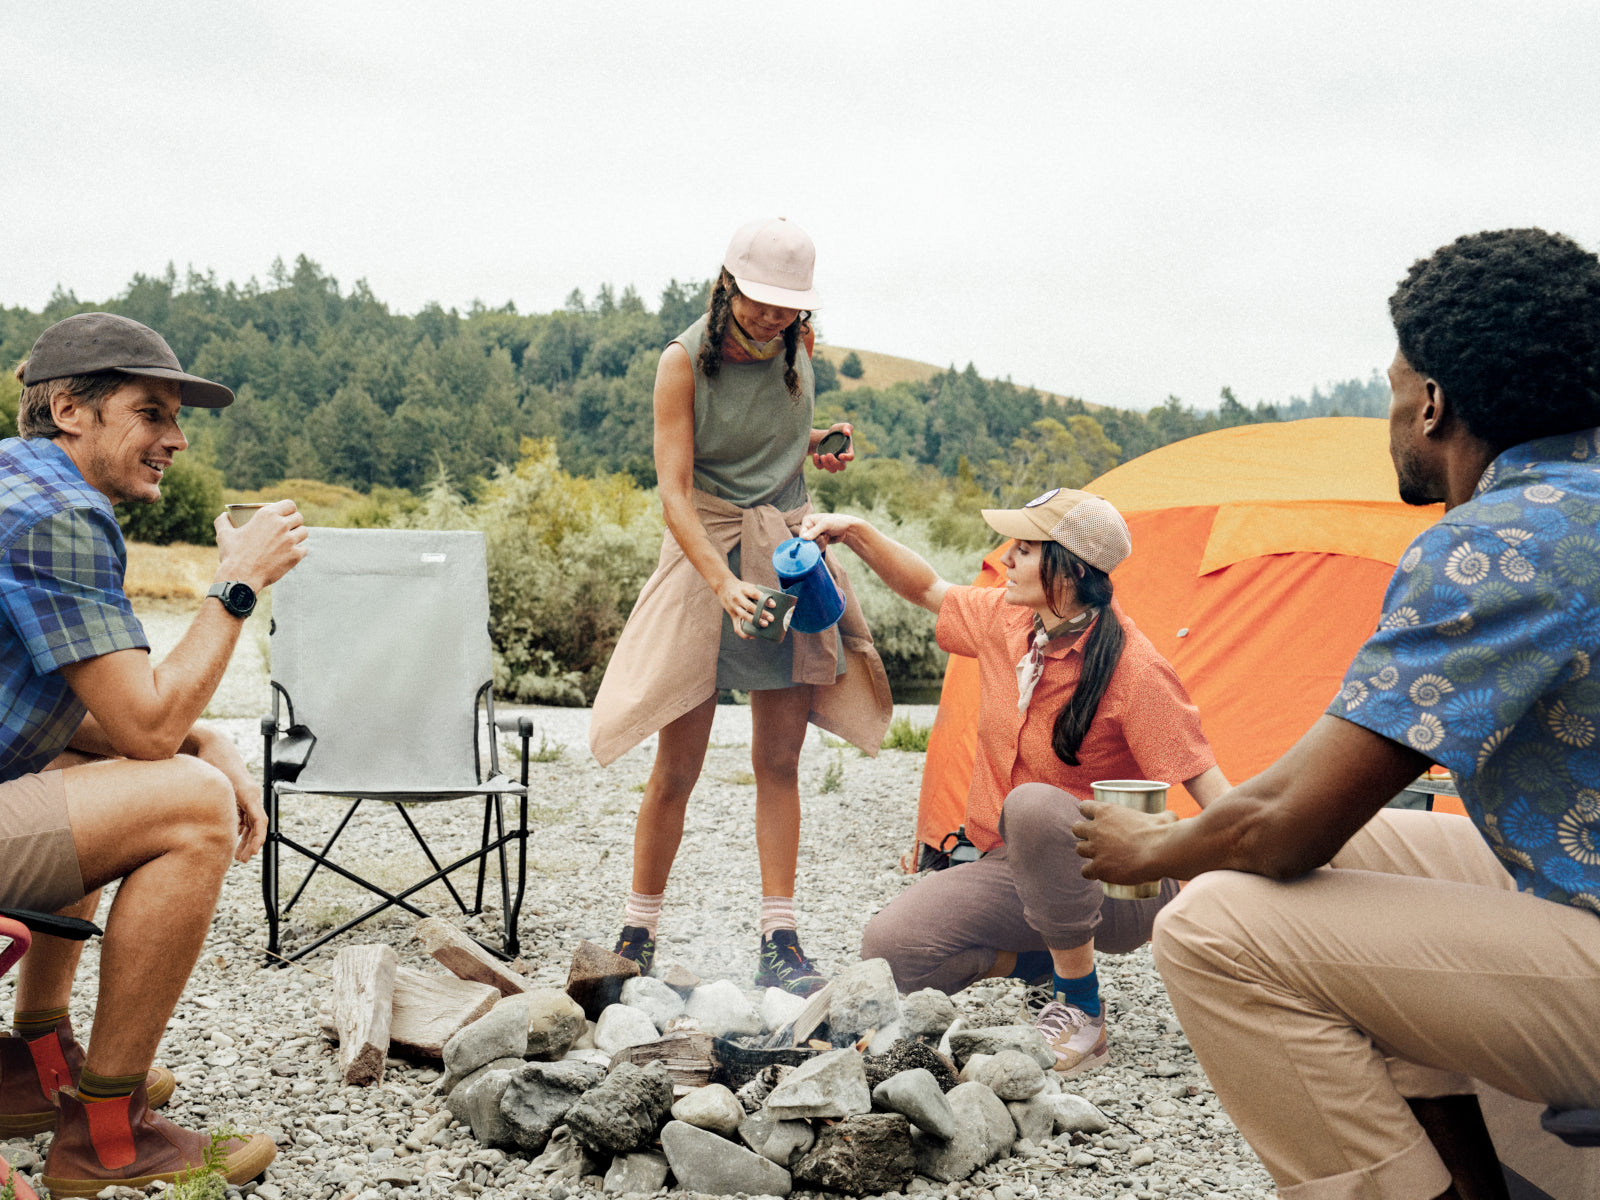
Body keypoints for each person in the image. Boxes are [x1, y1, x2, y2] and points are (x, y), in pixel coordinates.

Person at [1075, 228, 1600, 1200]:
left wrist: (1150, 849)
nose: (1388, 414)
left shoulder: (1503, 542)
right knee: (1357, 851)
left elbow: (1282, 828)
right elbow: (1315, 816)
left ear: (1431, 402)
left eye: (1391, 387)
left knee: (1214, 926)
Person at [0, 313, 307, 1195]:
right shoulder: (58, 515)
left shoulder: (18, 482)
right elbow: (143, 728)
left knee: (128, 777)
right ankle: (107, 1136)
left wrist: (203, 735)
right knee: (192, 806)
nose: (176, 439)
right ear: (70, 410)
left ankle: (34, 1066)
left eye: (177, 418)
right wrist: (238, 584)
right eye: (151, 413)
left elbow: (86, 709)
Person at [800, 488, 1229, 1075]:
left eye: (1025, 550)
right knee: (894, 950)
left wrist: (1255, 892)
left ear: (1072, 571)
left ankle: (1081, 1007)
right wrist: (855, 531)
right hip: (1018, 869)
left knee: (1032, 806)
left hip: (1122, 888)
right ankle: (1044, 963)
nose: (1006, 558)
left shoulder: (1136, 671)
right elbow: (927, 589)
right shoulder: (1007, 621)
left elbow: (1220, 802)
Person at [589, 218, 893, 995]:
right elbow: (673, 492)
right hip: (707, 551)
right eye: (759, 301)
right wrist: (721, 585)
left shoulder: (801, 346)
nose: (771, 317)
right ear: (726, 284)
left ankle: (778, 940)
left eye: (787, 307)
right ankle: (637, 932)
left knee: (779, 761)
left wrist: (816, 444)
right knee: (677, 764)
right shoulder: (682, 362)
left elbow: (774, 436)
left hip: (786, 557)